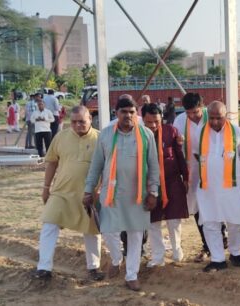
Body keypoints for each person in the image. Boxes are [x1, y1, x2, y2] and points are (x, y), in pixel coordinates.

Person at [83, 96, 160, 291]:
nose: (128, 115)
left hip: (138, 194)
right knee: (108, 230)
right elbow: (96, 166)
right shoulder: (106, 135)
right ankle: (116, 258)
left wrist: (153, 192)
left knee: (135, 234)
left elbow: (153, 167)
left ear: (137, 114)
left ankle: (131, 274)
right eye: (123, 112)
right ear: (116, 114)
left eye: (131, 112)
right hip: (112, 193)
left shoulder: (146, 135)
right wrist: (88, 190)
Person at [33, 106, 104, 282]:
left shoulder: (101, 138)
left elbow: (109, 167)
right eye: (73, 122)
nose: (77, 125)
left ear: (90, 119)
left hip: (89, 194)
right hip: (61, 192)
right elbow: (51, 163)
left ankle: (94, 268)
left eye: (82, 121)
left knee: (92, 230)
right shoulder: (61, 137)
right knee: (49, 224)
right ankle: (44, 268)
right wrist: (46, 187)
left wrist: (101, 190)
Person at [195, 101, 240, 272]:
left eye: (218, 118)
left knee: (235, 221)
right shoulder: (200, 132)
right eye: (211, 118)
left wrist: (227, 169)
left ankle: (235, 253)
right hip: (208, 187)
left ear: (225, 116)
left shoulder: (238, 132)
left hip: (232, 187)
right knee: (210, 221)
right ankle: (218, 258)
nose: (214, 122)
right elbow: (197, 155)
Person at [173, 93, 227, 263]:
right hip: (191, 173)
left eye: (195, 112)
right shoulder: (179, 121)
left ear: (202, 106)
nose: (192, 116)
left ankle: (222, 238)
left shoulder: (212, 117)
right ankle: (208, 245)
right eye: (188, 113)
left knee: (215, 204)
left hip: (213, 170)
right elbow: (176, 150)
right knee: (198, 209)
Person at [141, 103, 189, 266]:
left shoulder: (171, 131)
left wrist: (186, 177)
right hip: (149, 185)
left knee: (174, 220)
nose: (153, 126)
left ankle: (177, 251)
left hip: (172, 181)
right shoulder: (138, 134)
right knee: (153, 222)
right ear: (143, 120)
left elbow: (179, 156)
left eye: (156, 121)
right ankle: (158, 256)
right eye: (149, 122)